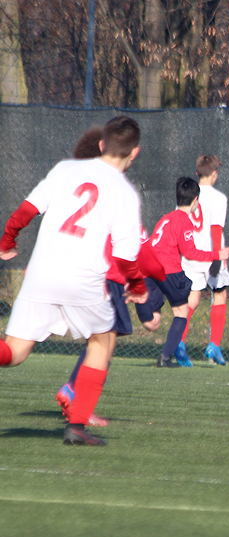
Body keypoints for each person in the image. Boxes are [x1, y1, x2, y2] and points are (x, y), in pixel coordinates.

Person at [0, 116, 146, 446]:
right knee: (102, 340)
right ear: (134, 153)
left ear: (101, 144)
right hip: (83, 278)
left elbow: (25, 211)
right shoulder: (124, 193)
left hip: (40, 274)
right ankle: (77, 426)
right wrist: (137, 287)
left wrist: (8, 240)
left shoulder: (65, 170)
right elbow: (125, 258)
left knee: (14, 352)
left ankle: (77, 423)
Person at [54, 128, 162, 427]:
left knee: (95, 343)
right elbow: (138, 249)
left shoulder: (70, 189)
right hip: (105, 279)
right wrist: (155, 297)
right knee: (104, 346)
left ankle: (74, 393)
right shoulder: (118, 192)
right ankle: (76, 397)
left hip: (71, 275)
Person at [140, 177, 229, 367]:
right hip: (167, 269)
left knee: (152, 322)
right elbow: (190, 253)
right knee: (181, 311)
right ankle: (165, 358)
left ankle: (139, 302)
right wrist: (217, 254)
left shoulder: (166, 218)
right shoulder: (184, 221)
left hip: (148, 267)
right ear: (195, 200)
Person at [177, 155, 229, 366]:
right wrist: (218, 255)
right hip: (211, 253)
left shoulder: (188, 194)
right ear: (214, 173)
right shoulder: (218, 198)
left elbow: (179, 221)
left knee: (192, 299)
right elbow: (216, 228)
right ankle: (214, 346)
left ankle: (179, 342)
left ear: (197, 172)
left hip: (190, 253)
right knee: (219, 295)